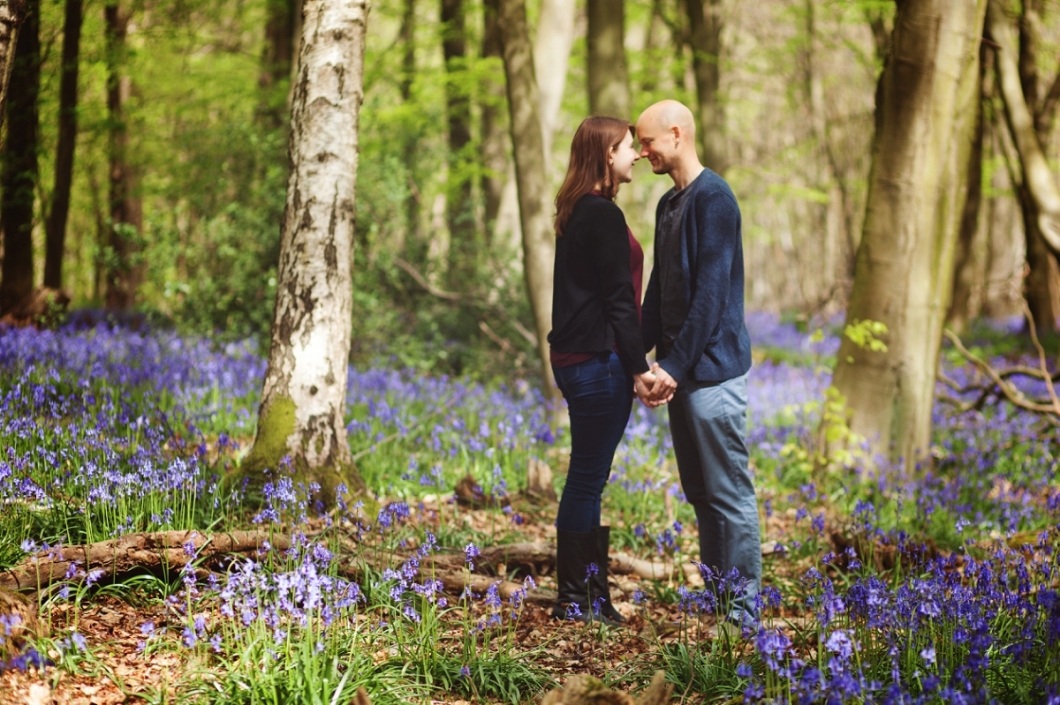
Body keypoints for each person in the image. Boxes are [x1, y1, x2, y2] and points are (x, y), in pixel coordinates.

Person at [635, 100, 761, 630]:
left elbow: (711, 297)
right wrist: (633, 358)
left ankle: (744, 617)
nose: (642, 154)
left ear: (677, 133)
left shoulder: (716, 199)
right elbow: (659, 292)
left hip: (712, 375)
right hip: (680, 376)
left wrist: (674, 367)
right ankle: (719, 607)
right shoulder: (669, 206)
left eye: (648, 143)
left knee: (729, 496)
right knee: (702, 495)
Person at [548, 116, 664, 626]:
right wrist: (640, 370)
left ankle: (592, 598)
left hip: (584, 360)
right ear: (604, 156)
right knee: (586, 480)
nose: (635, 154)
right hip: (596, 363)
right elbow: (620, 302)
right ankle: (576, 600)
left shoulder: (583, 211)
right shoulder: (599, 215)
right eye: (624, 148)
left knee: (589, 480)